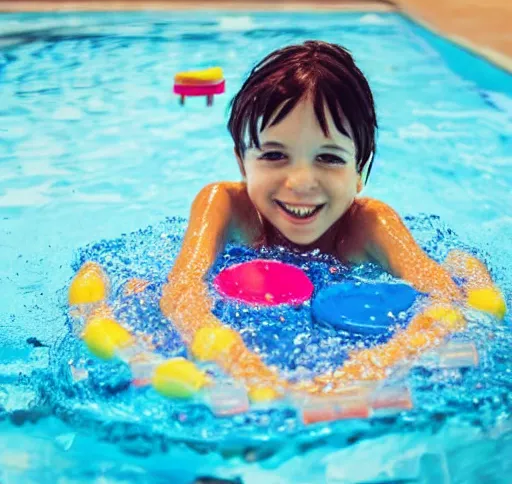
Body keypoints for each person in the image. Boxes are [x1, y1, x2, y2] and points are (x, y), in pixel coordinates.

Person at [74, 41, 505, 397]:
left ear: (360, 173)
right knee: (137, 297)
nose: (300, 183)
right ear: (243, 162)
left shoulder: (369, 225)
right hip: (242, 323)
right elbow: (183, 290)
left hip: (341, 327)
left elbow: (444, 299)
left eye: (329, 158)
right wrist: (237, 361)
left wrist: (370, 368)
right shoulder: (224, 206)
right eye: (275, 155)